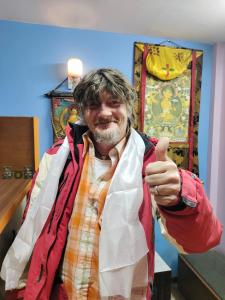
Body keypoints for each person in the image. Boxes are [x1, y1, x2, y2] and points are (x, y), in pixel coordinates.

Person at [1, 68, 222, 300]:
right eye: (93, 105)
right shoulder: (58, 158)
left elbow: (200, 242)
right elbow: (31, 231)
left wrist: (178, 198)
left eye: (114, 102)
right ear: (83, 113)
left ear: (129, 107)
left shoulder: (150, 162)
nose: (104, 113)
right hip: (61, 292)